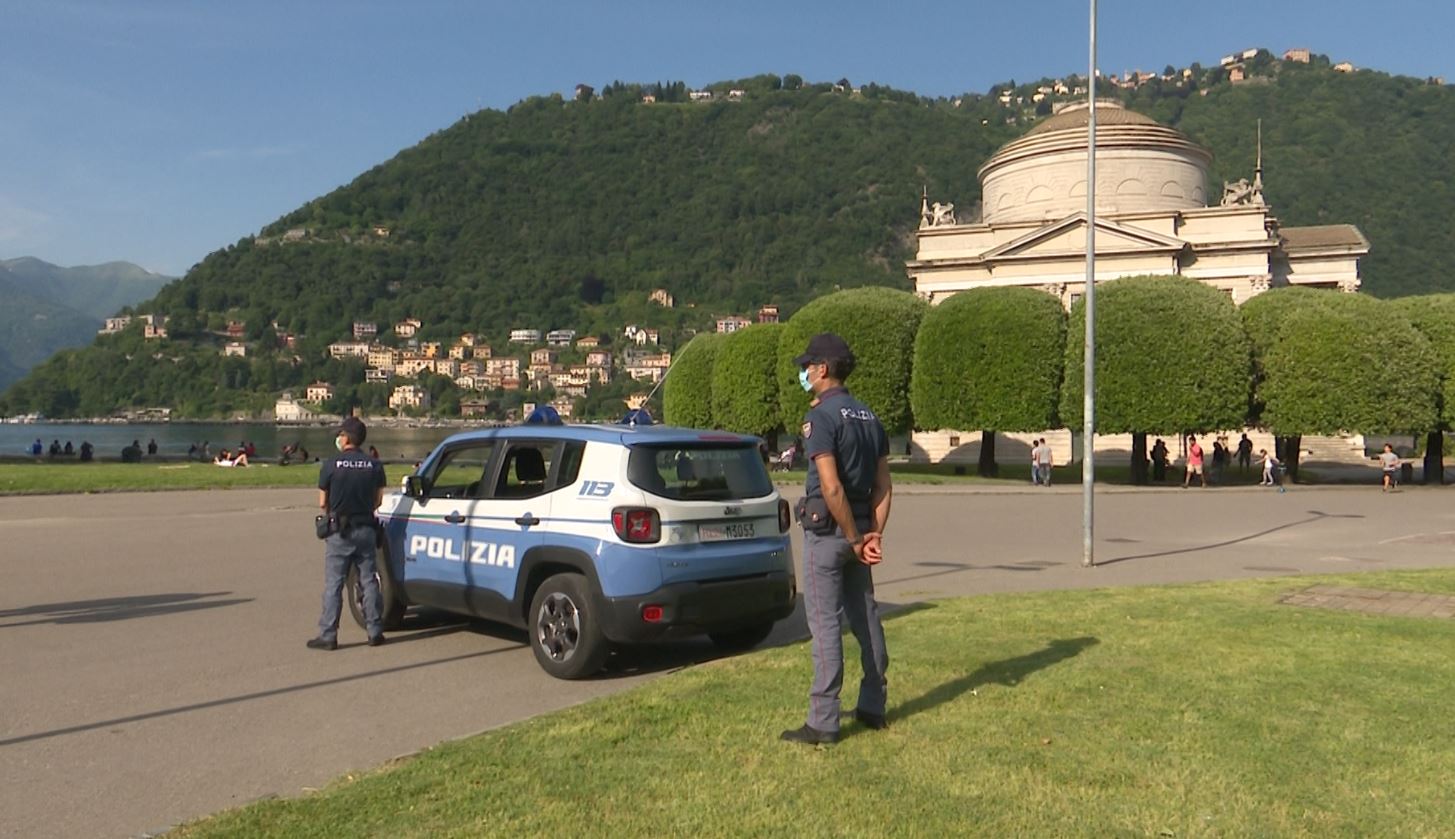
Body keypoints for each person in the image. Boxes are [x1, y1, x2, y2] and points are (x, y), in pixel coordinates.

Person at [781, 333, 892, 745]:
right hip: (860, 534)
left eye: (808, 366)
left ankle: (823, 721)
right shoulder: (869, 417)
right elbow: (883, 485)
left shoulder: (821, 419)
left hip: (829, 536)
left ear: (822, 370)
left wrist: (849, 534)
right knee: (866, 619)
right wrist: (870, 535)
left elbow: (830, 487)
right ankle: (873, 704)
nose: (805, 372)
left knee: (826, 627)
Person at [308, 416, 389, 650]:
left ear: (346, 438)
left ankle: (328, 634)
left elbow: (323, 502)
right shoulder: (374, 465)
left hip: (340, 531)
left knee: (334, 584)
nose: (338, 438)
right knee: (369, 580)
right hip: (366, 529)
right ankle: (374, 630)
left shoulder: (332, 464)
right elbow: (378, 501)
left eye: (340, 434)